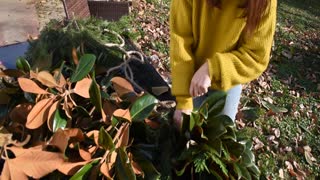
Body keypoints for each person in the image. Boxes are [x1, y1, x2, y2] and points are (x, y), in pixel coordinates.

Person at [170, 0, 277, 128]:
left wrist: (213, 69)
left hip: (228, 77)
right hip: (189, 74)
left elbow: (256, 56)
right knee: (183, 133)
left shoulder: (265, 2)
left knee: (219, 139)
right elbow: (180, 40)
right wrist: (183, 100)